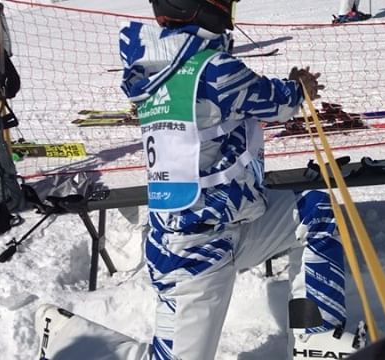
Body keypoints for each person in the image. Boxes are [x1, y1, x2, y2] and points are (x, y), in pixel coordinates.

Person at [118, 0, 365, 358]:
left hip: (230, 227)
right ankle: (78, 342)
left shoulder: (160, 69)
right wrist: (300, 87)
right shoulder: (214, 70)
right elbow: (279, 100)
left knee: (316, 211)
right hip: (195, 253)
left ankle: (317, 338)